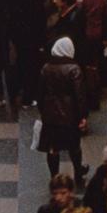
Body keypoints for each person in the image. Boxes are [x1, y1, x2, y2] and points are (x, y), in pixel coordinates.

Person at [37, 35, 86, 181]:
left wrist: (43, 111)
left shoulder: (46, 68)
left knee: (53, 148)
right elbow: (80, 95)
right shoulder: (74, 69)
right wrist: (82, 115)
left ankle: (54, 176)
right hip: (70, 115)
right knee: (74, 146)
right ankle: (78, 171)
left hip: (50, 115)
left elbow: (40, 93)